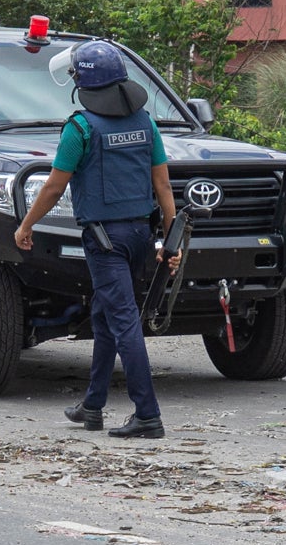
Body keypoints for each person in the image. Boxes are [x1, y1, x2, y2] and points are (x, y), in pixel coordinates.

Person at [13, 38, 175, 439]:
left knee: (123, 324)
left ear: (83, 84)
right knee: (104, 317)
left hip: (104, 242)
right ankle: (93, 405)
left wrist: (25, 225)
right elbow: (164, 187)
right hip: (140, 236)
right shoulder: (146, 123)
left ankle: (147, 415)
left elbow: (53, 188)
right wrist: (172, 242)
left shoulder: (80, 128)